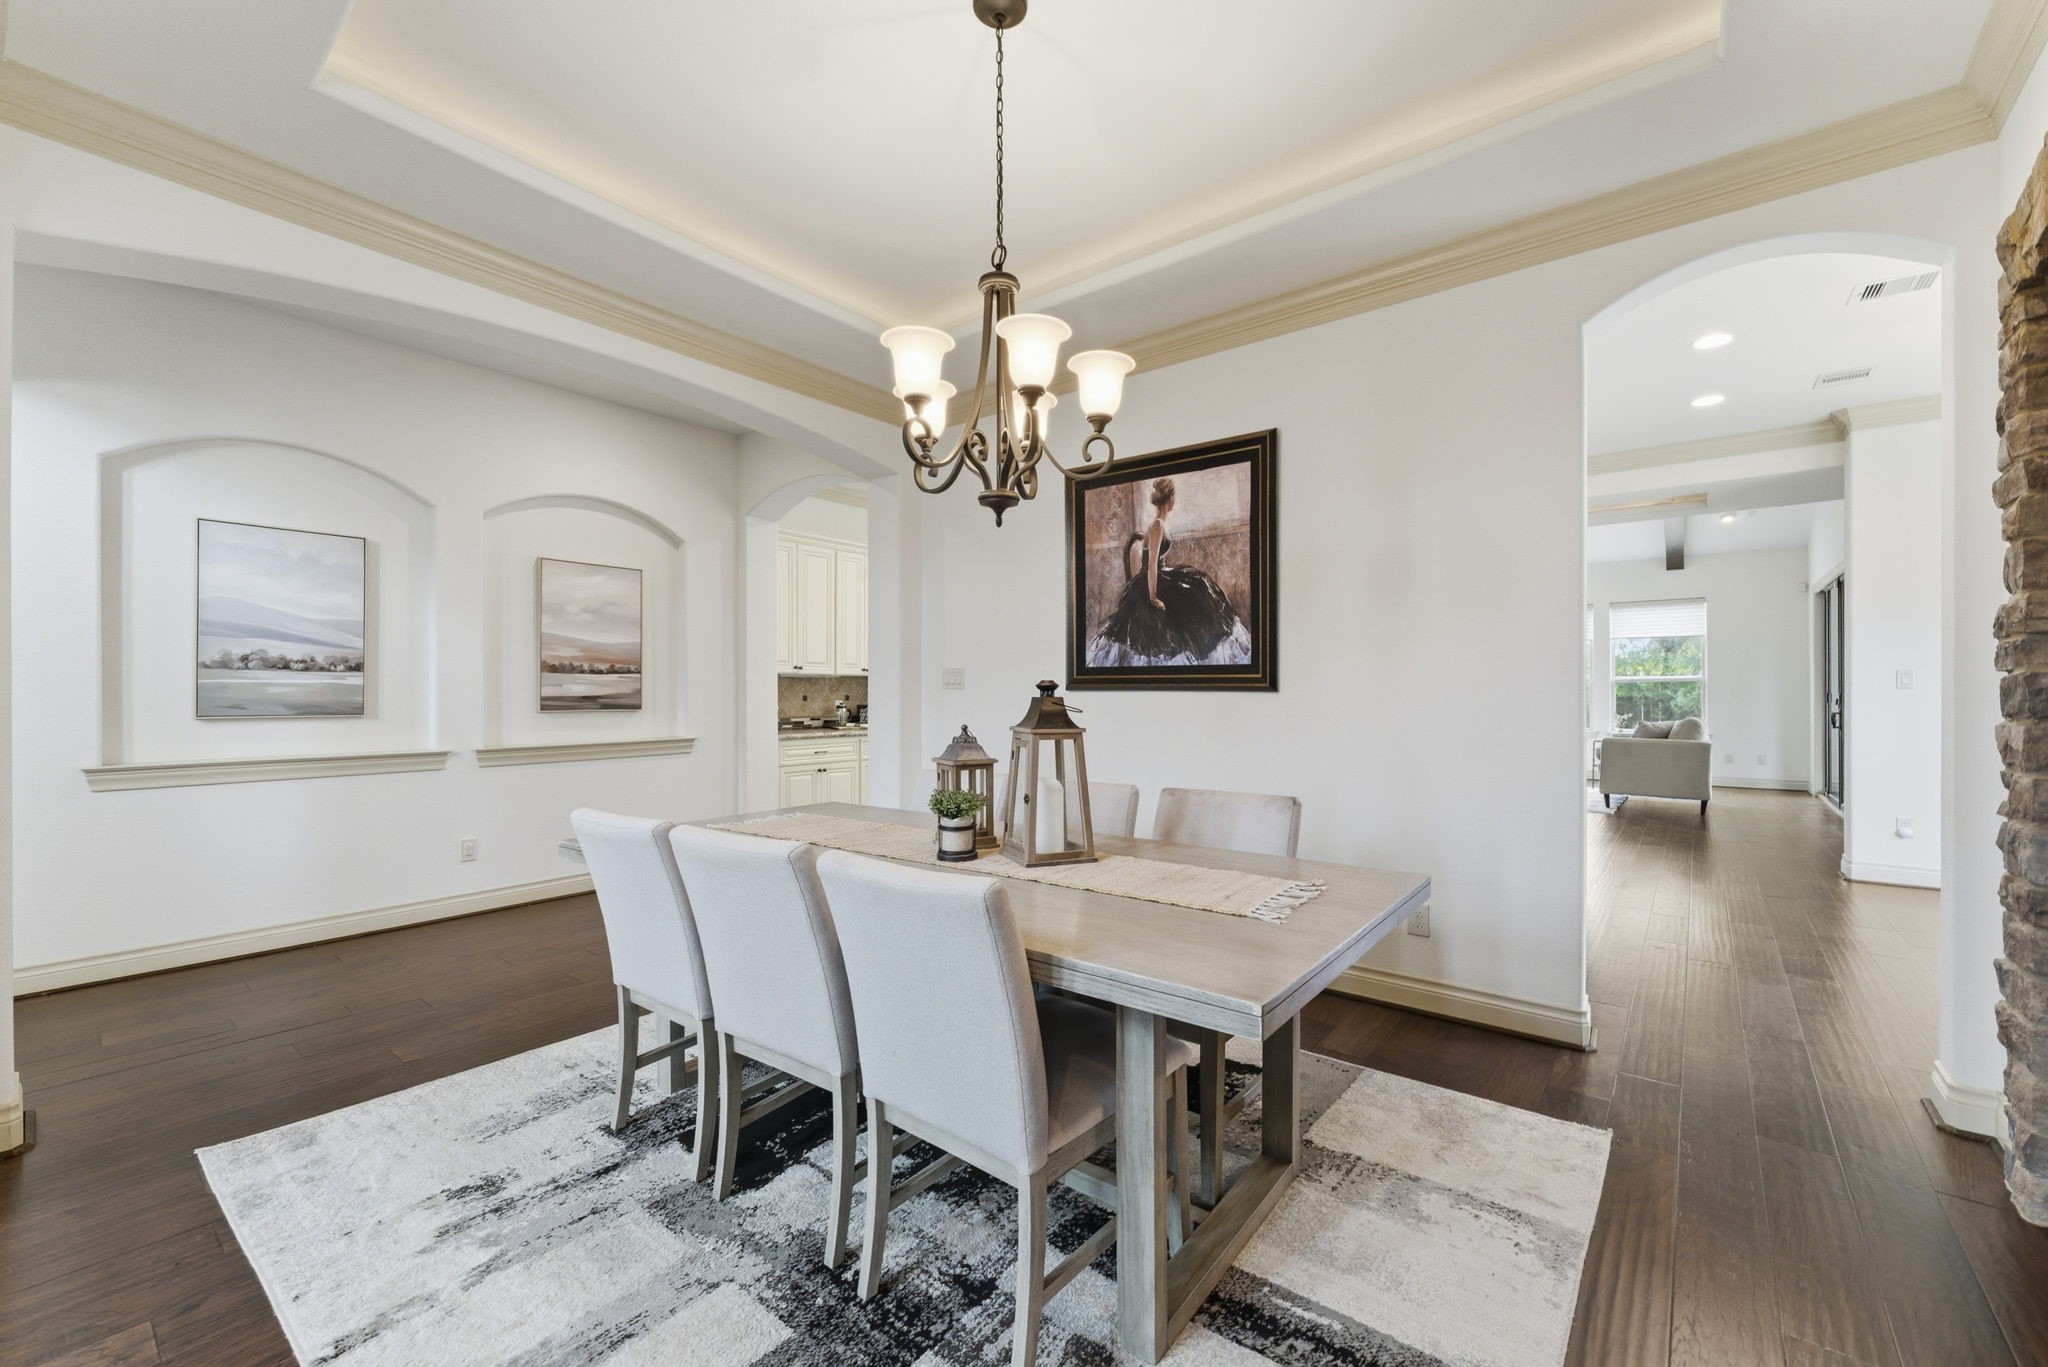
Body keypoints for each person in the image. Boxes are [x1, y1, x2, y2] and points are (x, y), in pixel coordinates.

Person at [1085, 476, 1252, 667]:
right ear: (1170, 497)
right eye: (1174, 496)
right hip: (1152, 580)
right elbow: (1151, 565)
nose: (1175, 500)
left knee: (1199, 588)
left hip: (1160, 574)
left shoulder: (1160, 524)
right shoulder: (1157, 525)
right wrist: (1154, 597)